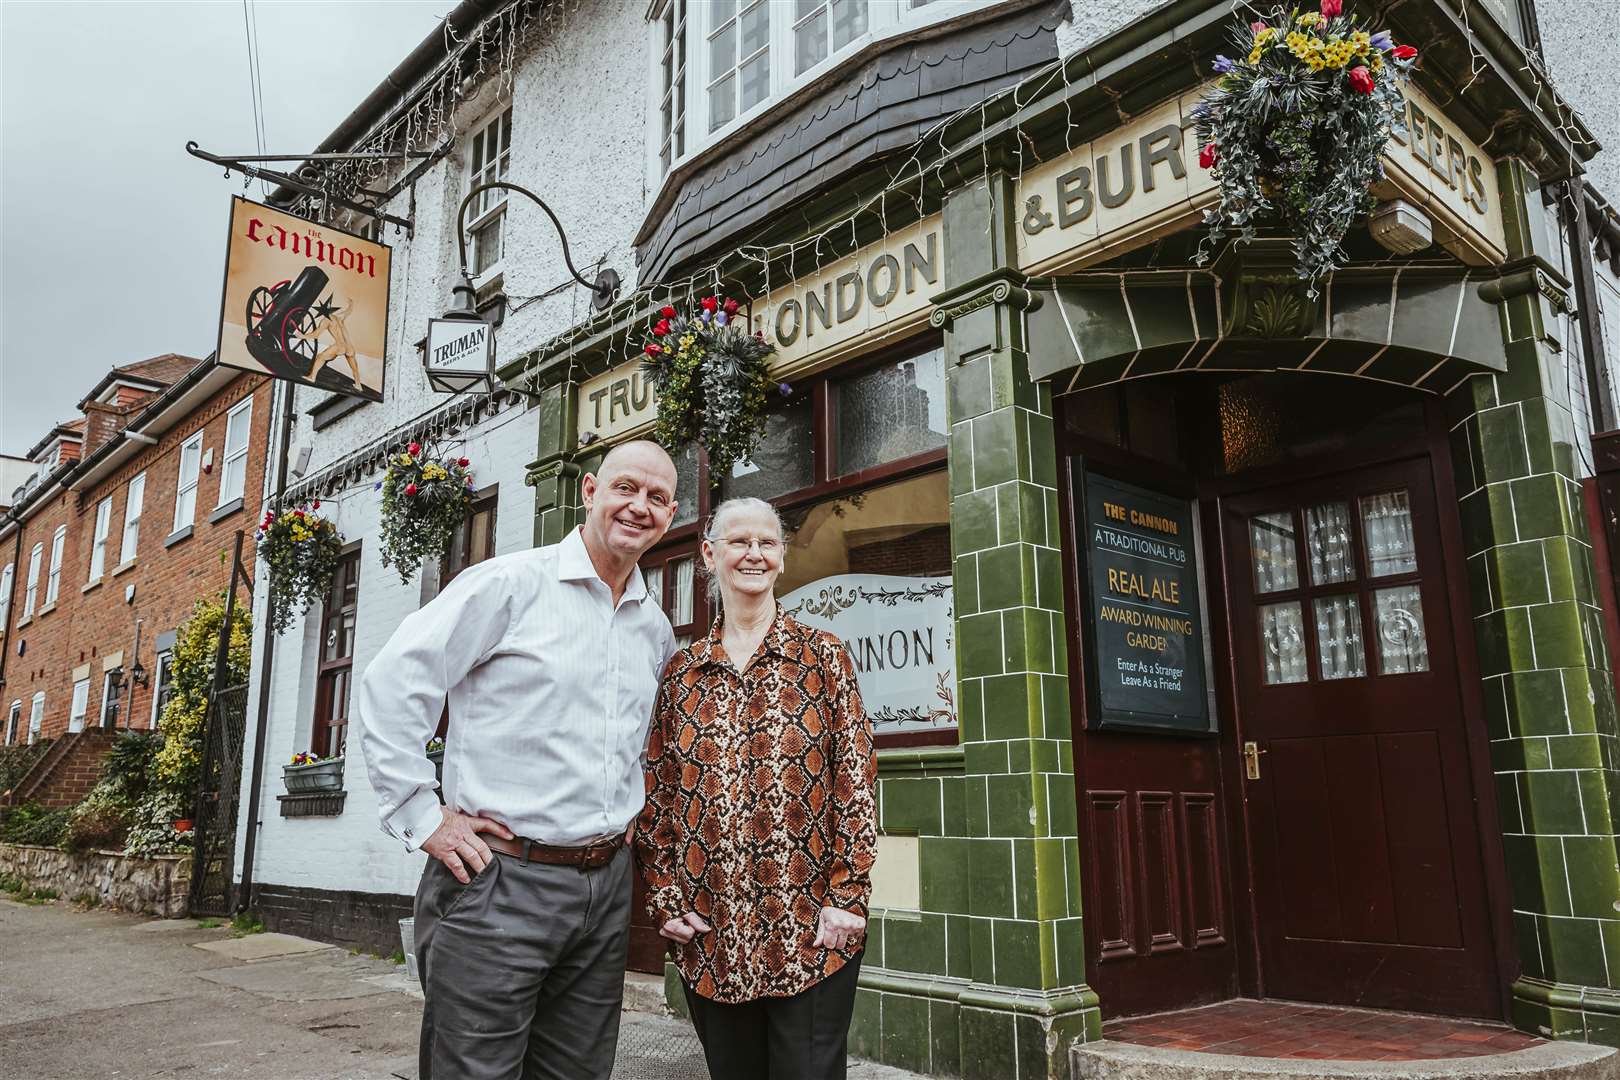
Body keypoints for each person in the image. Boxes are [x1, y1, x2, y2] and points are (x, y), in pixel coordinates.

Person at [356, 439, 680, 1080]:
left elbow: (640, 746)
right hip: (499, 884)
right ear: (589, 491)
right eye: (626, 488)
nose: (639, 506)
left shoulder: (655, 628)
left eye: (658, 497)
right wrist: (423, 816)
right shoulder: (509, 585)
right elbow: (394, 683)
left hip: (605, 888)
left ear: (671, 514)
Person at [635, 496, 877, 1080]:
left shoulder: (822, 657)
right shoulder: (681, 672)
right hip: (712, 932)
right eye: (739, 541)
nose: (753, 553)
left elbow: (856, 781)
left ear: (781, 558)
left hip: (812, 927)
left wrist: (849, 897)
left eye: (767, 542)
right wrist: (665, 898)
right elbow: (658, 794)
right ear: (708, 553)